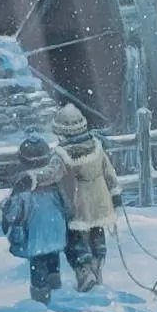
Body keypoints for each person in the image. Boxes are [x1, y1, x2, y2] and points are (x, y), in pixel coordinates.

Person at [50, 104, 120, 292]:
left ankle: (84, 270)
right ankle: (97, 265)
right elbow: (109, 172)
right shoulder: (97, 146)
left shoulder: (60, 155)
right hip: (100, 201)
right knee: (97, 232)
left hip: (77, 204)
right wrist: (115, 193)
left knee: (75, 238)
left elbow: (55, 178)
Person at [0, 135, 69, 305]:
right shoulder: (55, 181)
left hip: (35, 236)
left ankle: (40, 298)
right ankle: (56, 287)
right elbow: (67, 203)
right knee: (53, 258)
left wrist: (6, 212)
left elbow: (13, 214)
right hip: (56, 230)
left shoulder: (23, 185)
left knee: (38, 265)